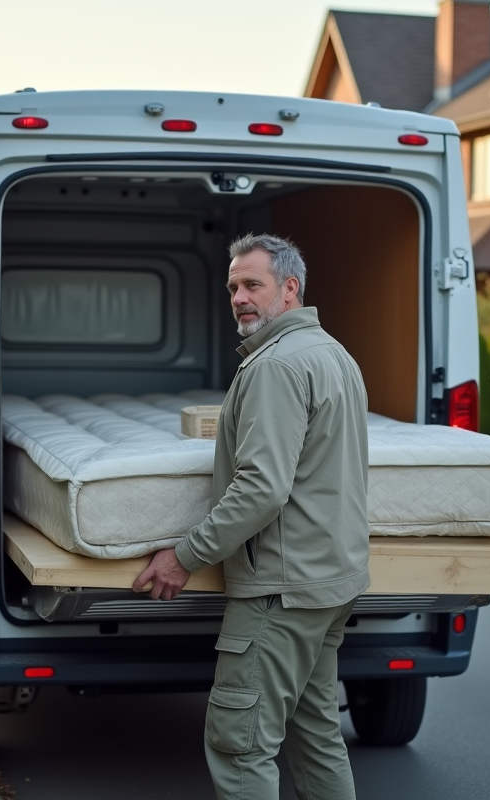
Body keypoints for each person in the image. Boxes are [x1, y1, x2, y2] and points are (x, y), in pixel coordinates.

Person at [133, 233, 370, 800]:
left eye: (252, 284)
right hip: (330, 581)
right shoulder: (333, 352)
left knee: (239, 745)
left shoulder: (275, 367)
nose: (239, 296)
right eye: (233, 286)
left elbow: (262, 488)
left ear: (289, 289)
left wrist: (184, 556)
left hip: (280, 592)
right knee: (315, 735)